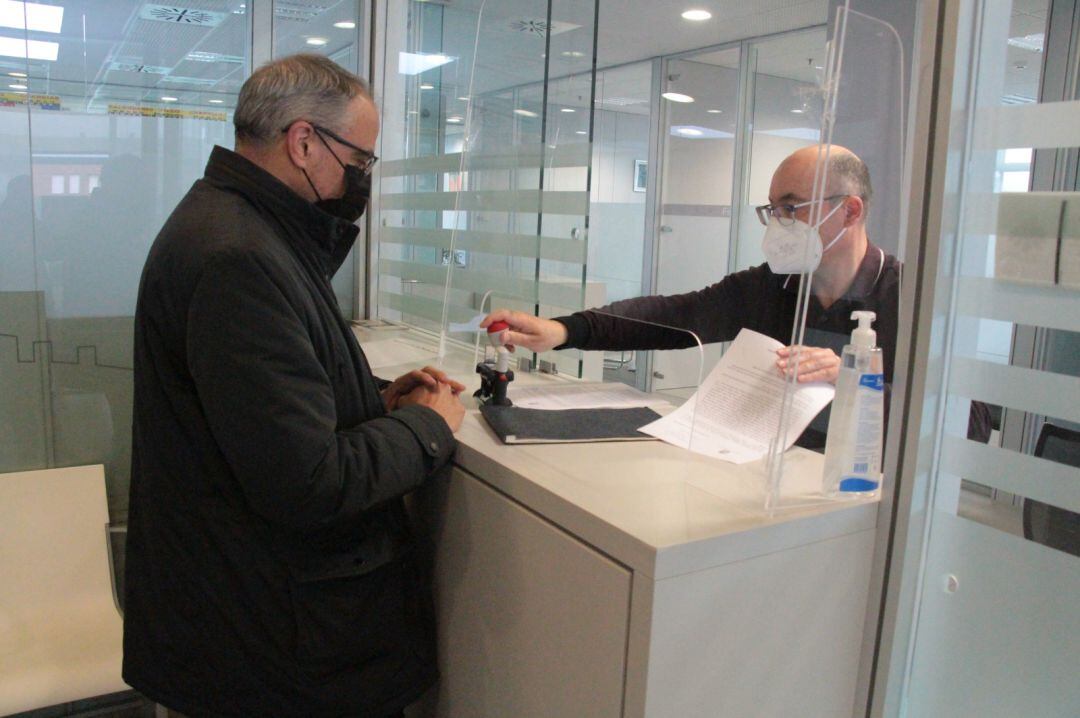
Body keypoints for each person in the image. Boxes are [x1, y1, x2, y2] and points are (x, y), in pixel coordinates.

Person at [123, 54, 465, 717]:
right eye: (360, 160)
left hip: (247, 621)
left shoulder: (239, 229)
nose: (363, 177)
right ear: (304, 143)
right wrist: (428, 428)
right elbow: (307, 482)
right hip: (271, 647)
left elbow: (254, 414)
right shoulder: (238, 259)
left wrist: (375, 407)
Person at [482, 145, 990, 445]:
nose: (778, 223)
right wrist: (567, 330)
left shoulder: (917, 298)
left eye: (793, 207)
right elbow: (675, 316)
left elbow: (972, 423)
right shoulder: (773, 285)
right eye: (772, 209)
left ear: (851, 212)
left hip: (868, 499)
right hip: (765, 473)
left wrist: (862, 380)